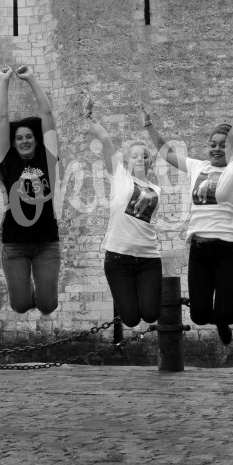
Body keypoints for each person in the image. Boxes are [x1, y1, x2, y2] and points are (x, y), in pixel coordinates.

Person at [142, 78, 233, 345]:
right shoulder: (196, 167)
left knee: (224, 310)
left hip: (227, 250)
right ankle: (222, 320)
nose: (216, 148)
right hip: (199, 251)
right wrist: (149, 125)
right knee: (201, 315)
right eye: (212, 143)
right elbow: (166, 153)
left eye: (223, 144)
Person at [0, 65, 60, 315]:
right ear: (13, 143)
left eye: (28, 136)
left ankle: (41, 286)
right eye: (19, 138)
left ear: (36, 140)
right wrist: (4, 81)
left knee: (48, 305)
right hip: (15, 245)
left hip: (46, 244)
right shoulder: (9, 161)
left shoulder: (48, 159)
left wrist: (31, 79)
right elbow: (2, 119)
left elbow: (47, 113)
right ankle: (25, 286)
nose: (24, 140)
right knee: (19, 306)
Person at [83, 96, 161, 327]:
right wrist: (88, 116)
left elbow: (148, 207)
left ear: (150, 163)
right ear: (126, 162)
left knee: (151, 314)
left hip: (148, 258)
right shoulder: (119, 177)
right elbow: (106, 140)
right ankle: (131, 291)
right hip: (118, 258)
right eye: (135, 155)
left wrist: (150, 125)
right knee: (130, 319)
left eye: (145, 156)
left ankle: (144, 289)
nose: (140, 158)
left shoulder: (157, 189)